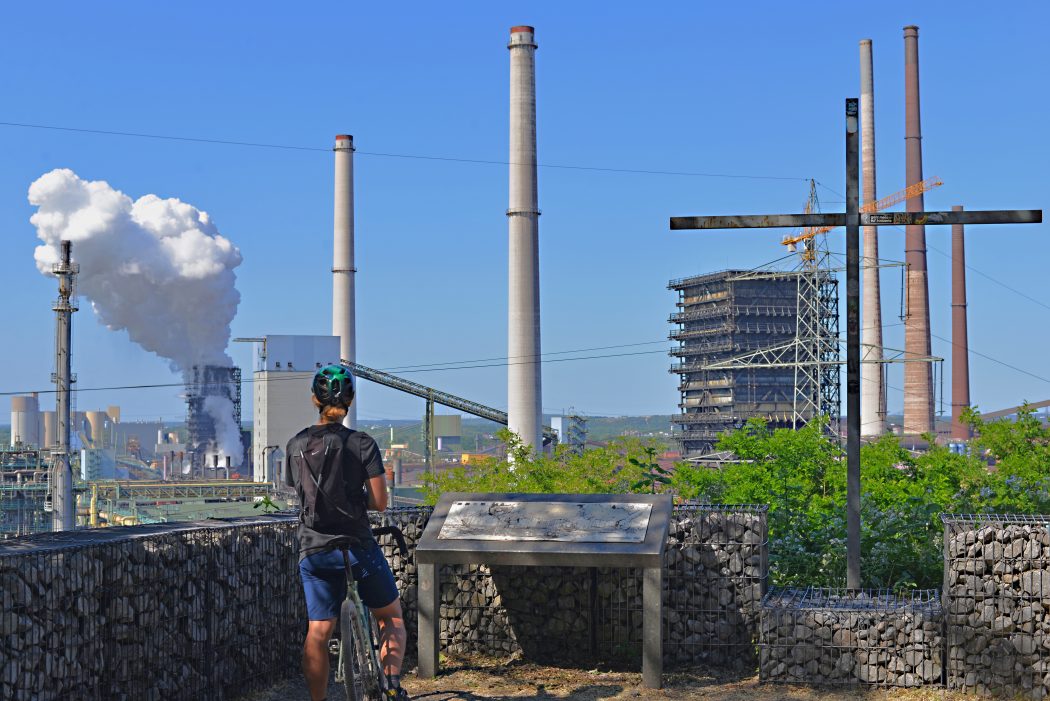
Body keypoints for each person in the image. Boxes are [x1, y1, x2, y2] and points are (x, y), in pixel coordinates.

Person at [284, 364, 409, 701]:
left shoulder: (296, 445)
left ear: (314, 399)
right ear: (351, 400)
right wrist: (355, 502)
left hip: (315, 551)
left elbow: (297, 492)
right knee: (390, 617)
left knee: (318, 632)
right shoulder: (363, 444)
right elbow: (381, 502)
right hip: (357, 546)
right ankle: (393, 684)